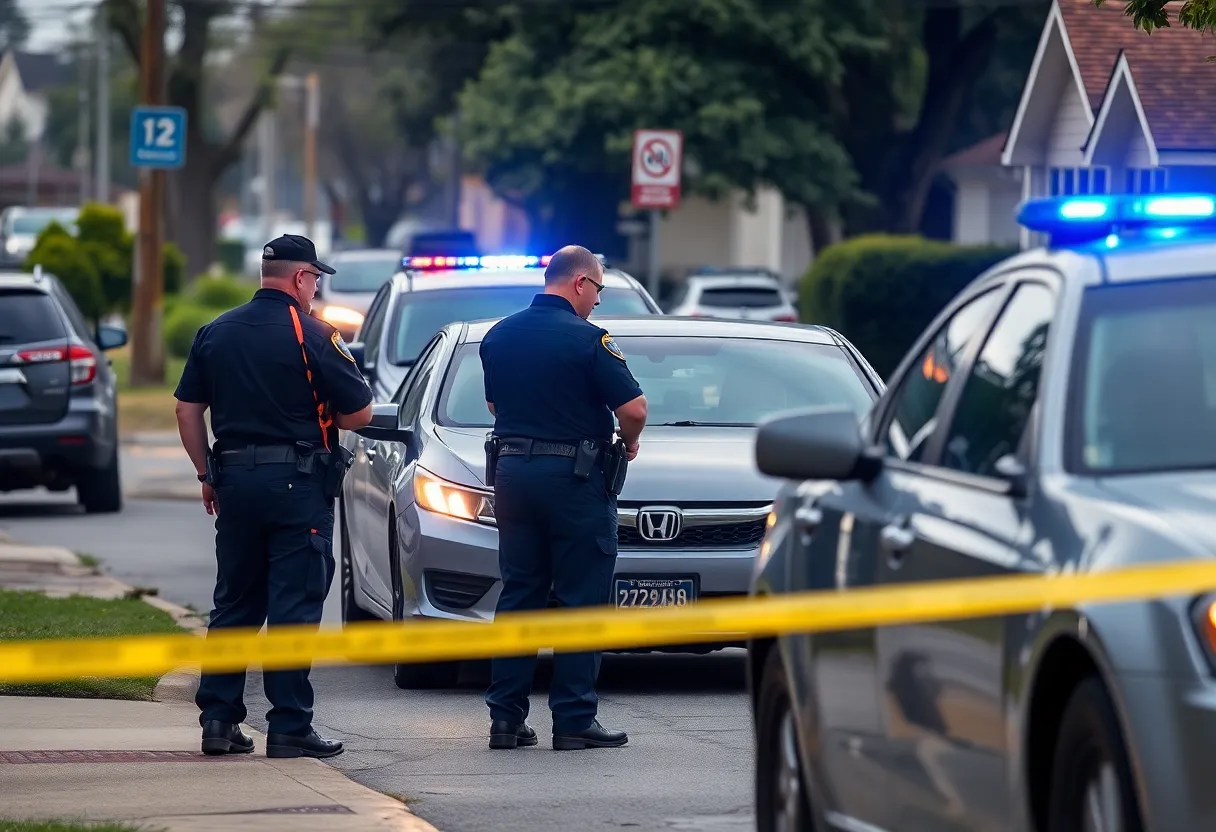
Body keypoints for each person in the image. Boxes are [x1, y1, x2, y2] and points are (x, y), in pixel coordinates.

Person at [173, 234, 374, 759]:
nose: (314, 289)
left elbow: (186, 410)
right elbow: (358, 415)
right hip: (298, 488)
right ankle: (288, 727)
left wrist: (206, 473)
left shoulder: (214, 332)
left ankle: (218, 721)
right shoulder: (313, 333)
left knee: (234, 603)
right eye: (315, 280)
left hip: (235, 482)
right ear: (301, 278)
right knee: (293, 606)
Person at [479, 244, 648, 751]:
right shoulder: (589, 339)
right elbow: (634, 408)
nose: (598, 300)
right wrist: (630, 440)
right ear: (578, 283)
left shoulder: (499, 335)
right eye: (597, 288)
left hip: (512, 475)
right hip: (574, 481)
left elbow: (493, 402)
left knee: (519, 594)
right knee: (580, 595)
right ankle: (573, 719)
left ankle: (506, 720)